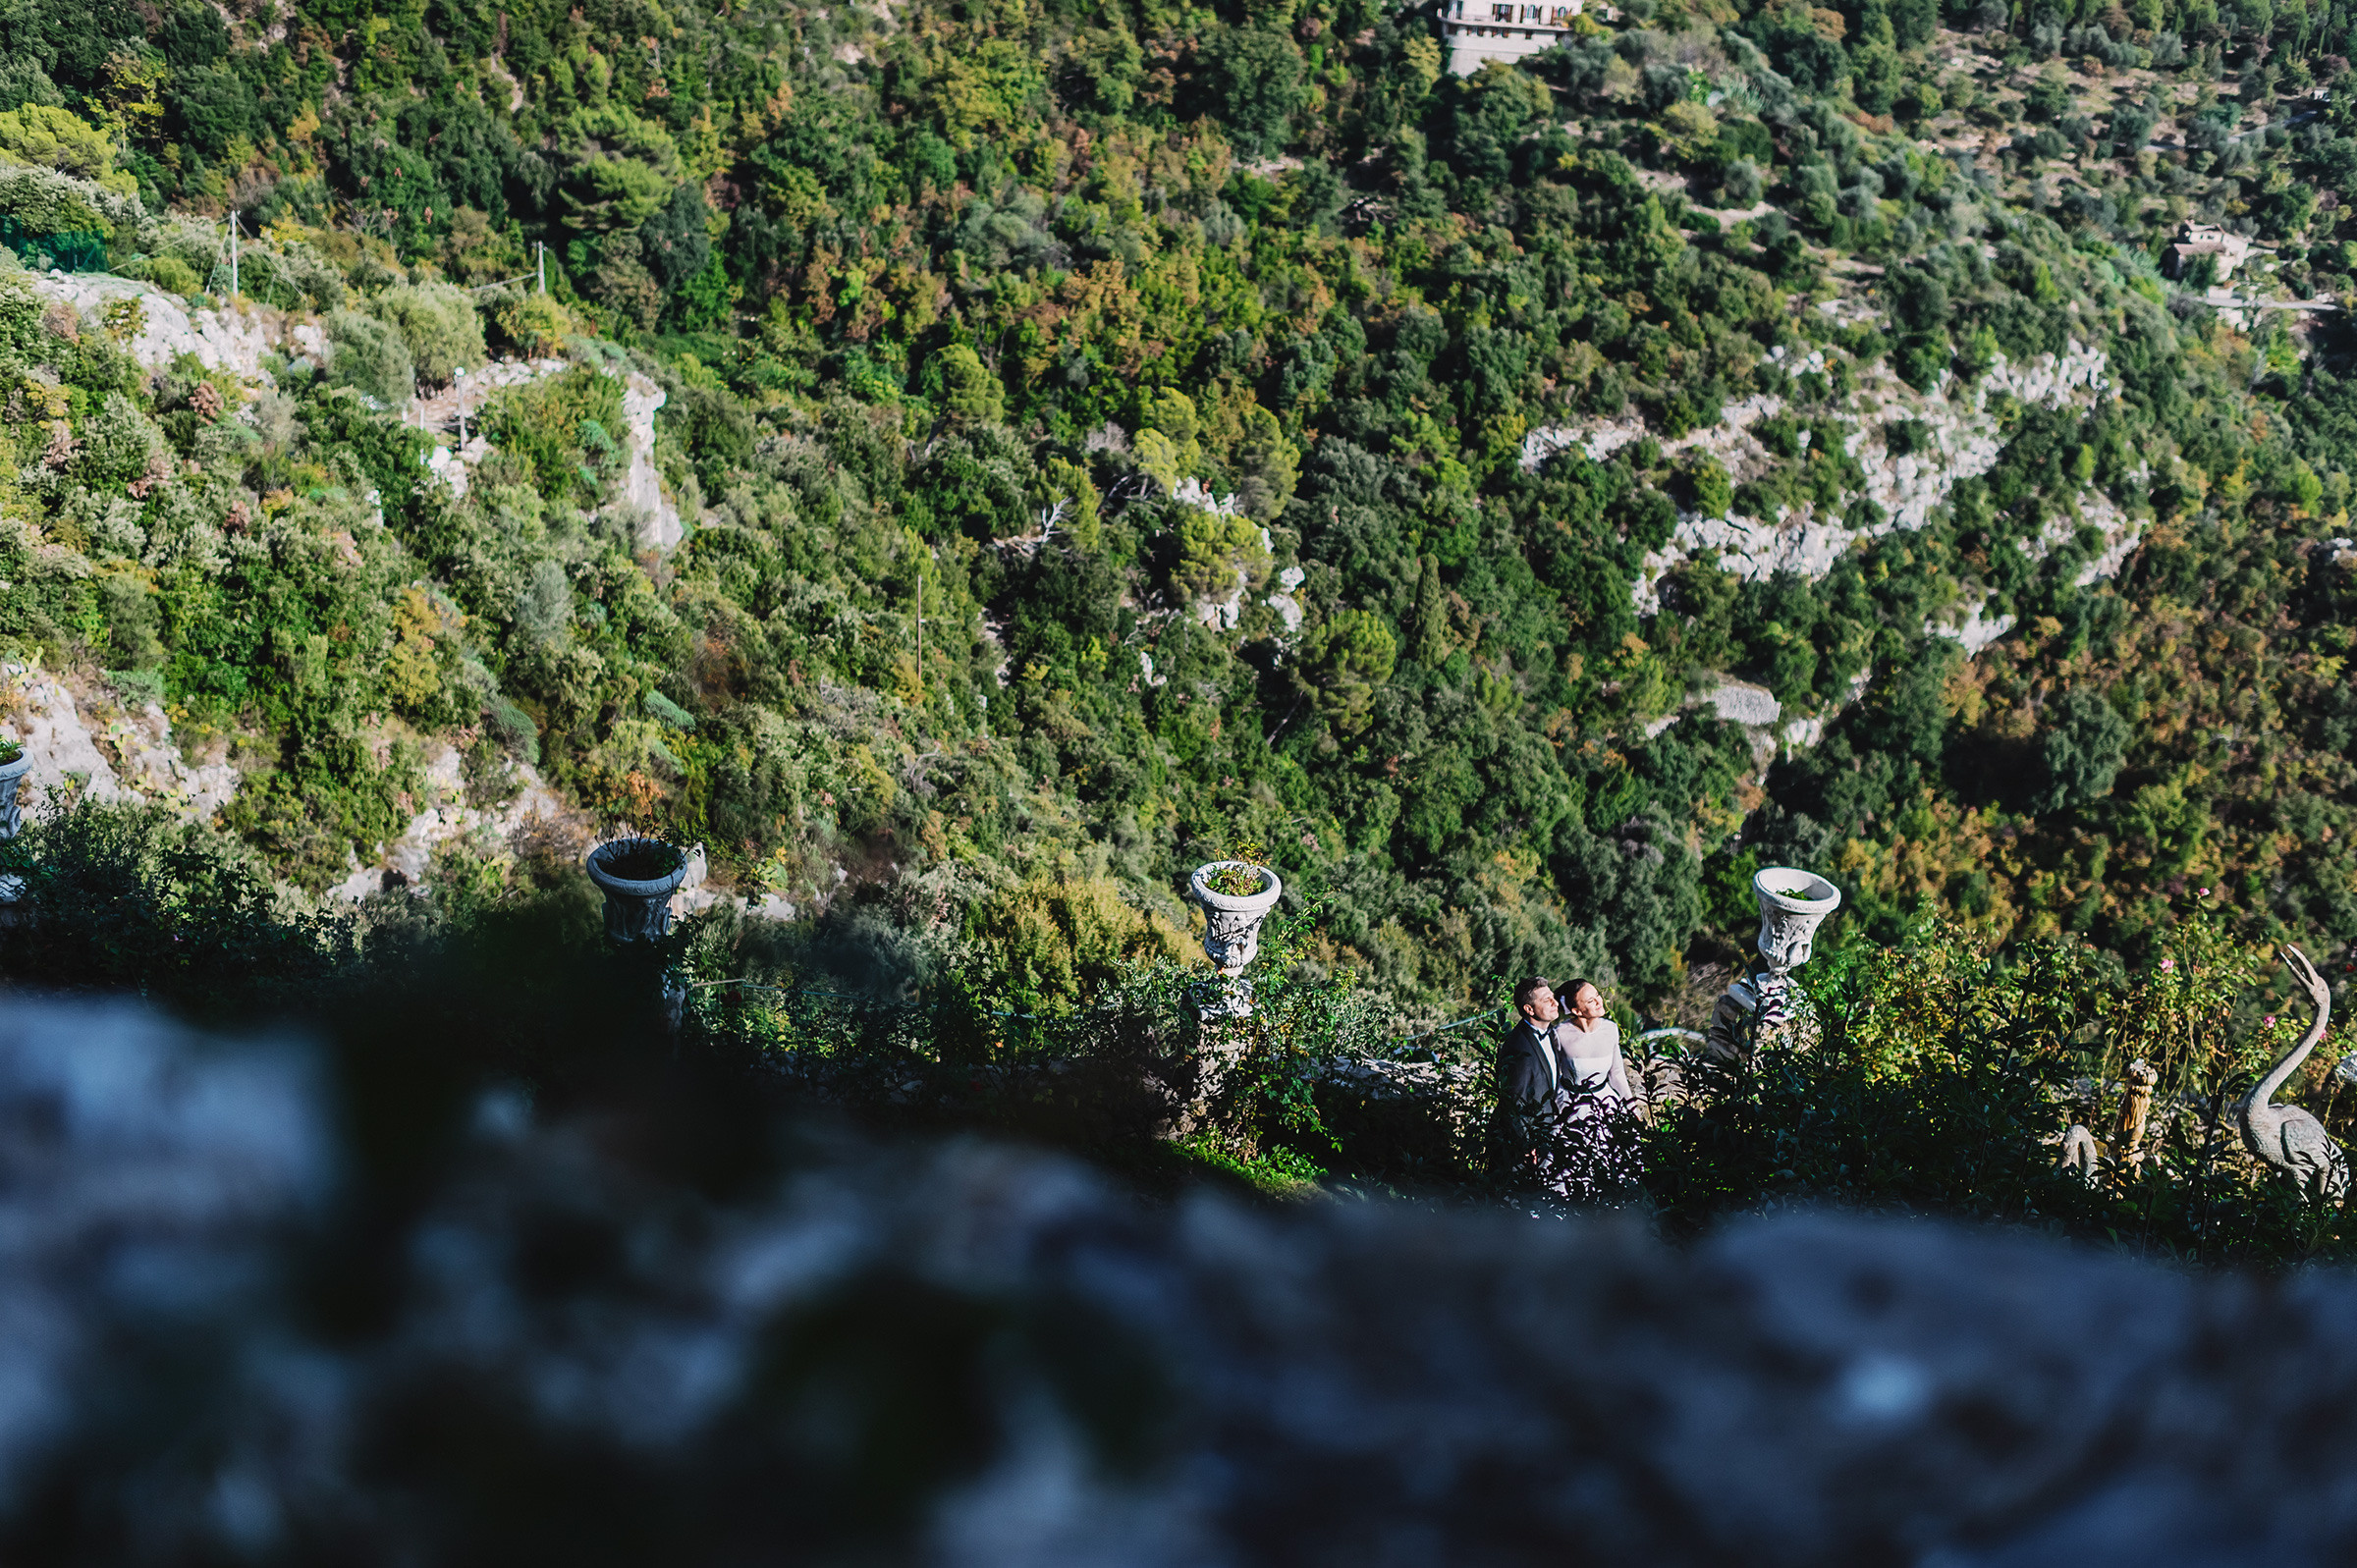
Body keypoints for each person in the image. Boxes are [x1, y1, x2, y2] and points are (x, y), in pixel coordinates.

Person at [1494, 977, 1565, 1186]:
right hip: (1525, 1142)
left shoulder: (1551, 1034)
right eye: (1546, 1000)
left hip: (1547, 1133)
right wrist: (1525, 1144)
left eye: (1553, 997)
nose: (1554, 1003)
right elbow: (1514, 1100)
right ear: (1529, 1009)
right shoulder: (1518, 1045)